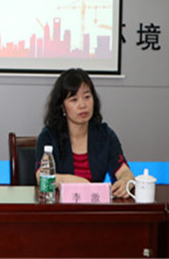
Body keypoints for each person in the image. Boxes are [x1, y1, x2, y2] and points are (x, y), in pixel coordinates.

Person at [35, 68, 134, 198]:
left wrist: (126, 181)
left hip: (94, 206)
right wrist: (76, 182)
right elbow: (41, 177)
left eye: (87, 97)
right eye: (74, 99)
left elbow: (124, 171)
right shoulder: (49, 136)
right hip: (60, 206)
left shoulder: (105, 135)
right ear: (62, 106)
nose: (82, 105)